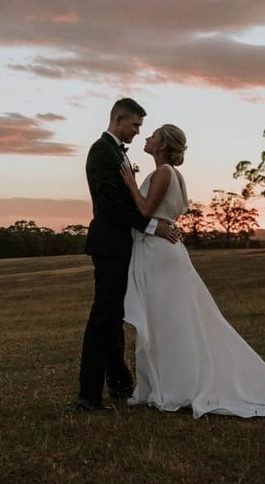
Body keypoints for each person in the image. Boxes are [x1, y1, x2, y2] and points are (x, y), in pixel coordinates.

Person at [120, 124, 265, 418]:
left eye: (152, 135)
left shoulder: (164, 173)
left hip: (160, 253)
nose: (147, 138)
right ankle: (168, 381)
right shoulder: (173, 175)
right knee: (174, 321)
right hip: (164, 251)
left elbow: (145, 211)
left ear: (162, 145)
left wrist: (130, 183)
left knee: (171, 321)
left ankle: (178, 384)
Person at [74, 98, 179, 412]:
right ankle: (87, 396)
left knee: (115, 318)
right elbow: (108, 206)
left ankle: (119, 385)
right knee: (103, 319)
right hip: (109, 246)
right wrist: (151, 227)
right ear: (119, 120)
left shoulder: (116, 151)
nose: (137, 131)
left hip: (123, 246)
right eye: (134, 125)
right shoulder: (101, 151)